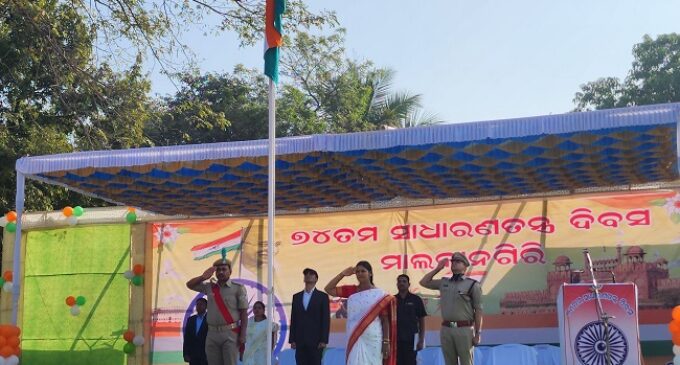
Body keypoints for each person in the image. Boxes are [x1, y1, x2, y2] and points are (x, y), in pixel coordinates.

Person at [324, 261, 396, 365]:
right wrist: (342, 274)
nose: (360, 273)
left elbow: (385, 320)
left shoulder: (380, 295)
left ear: (370, 273)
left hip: (374, 338)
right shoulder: (351, 290)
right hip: (355, 337)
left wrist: (386, 342)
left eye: (363, 271)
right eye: (357, 271)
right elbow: (328, 289)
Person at [419, 252, 483, 365]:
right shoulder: (444, 282)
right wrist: (438, 268)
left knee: (466, 362)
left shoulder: (473, 285)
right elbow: (424, 282)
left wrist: (478, 333)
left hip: (464, 329)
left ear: (465, 265)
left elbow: (478, 310)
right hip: (446, 328)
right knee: (449, 362)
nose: (454, 264)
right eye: (452, 262)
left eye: (457, 262)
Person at [186, 258, 248, 365]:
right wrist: (202, 277)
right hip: (212, 334)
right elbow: (189, 285)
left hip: (230, 333)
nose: (221, 272)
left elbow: (243, 313)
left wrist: (242, 335)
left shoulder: (238, 288)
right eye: (218, 270)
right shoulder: (210, 287)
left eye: (224, 269)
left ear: (230, 271)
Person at [289, 268, 330, 365]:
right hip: (300, 340)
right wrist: (292, 339)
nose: (308, 275)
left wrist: (324, 340)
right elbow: (293, 318)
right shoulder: (296, 297)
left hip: (316, 341)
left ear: (316, 279)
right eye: (306, 274)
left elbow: (325, 320)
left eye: (311, 274)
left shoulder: (322, 297)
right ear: (303, 279)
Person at [395, 274, 427, 365]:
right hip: (396, 340)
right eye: (399, 281)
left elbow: (422, 320)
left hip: (412, 340)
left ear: (409, 284)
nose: (401, 283)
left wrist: (421, 340)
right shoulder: (392, 300)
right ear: (397, 284)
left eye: (404, 281)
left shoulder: (416, 299)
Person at [241, 301, 279, 365]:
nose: (257, 310)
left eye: (259, 308)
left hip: (262, 353)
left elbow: (273, 338)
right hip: (249, 354)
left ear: (263, 310)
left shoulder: (269, 324)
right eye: (255, 308)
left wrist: (270, 350)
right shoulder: (248, 322)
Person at [183, 298, 209, 365]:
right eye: (197, 304)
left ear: (206, 306)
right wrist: (185, 354)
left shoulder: (210, 319)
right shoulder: (191, 319)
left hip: (206, 355)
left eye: (201, 304)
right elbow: (187, 338)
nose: (198, 306)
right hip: (193, 356)